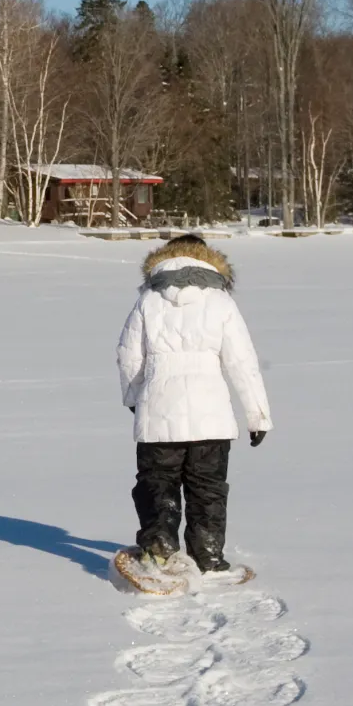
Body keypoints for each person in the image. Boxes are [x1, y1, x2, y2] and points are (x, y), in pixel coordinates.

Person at [114, 234, 271, 589]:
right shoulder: (221, 303)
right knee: (208, 488)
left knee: (158, 484)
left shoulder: (148, 301)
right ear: (210, 260)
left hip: (158, 412)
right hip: (211, 416)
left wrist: (134, 398)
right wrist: (258, 416)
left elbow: (128, 356)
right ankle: (208, 556)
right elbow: (242, 363)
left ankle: (160, 550)